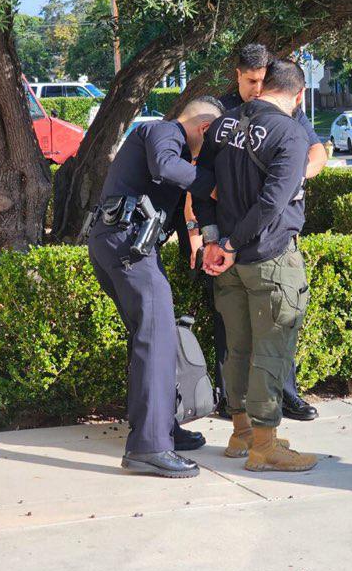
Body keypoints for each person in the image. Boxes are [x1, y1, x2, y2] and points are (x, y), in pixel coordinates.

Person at [183, 43, 326, 422]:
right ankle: (265, 442)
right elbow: (270, 204)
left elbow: (202, 186)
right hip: (268, 256)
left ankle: (239, 432)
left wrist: (215, 240)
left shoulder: (222, 125)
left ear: (266, 85)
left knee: (239, 348)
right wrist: (228, 243)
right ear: (299, 95)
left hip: (226, 257)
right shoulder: (290, 133)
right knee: (271, 348)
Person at [88, 97, 223, 478]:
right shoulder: (163, 132)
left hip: (125, 243)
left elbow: (173, 206)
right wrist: (215, 186)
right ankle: (148, 446)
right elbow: (166, 167)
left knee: (150, 338)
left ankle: (160, 427)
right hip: (128, 245)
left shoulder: (170, 145)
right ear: (204, 129)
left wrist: (195, 250)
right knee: (157, 338)